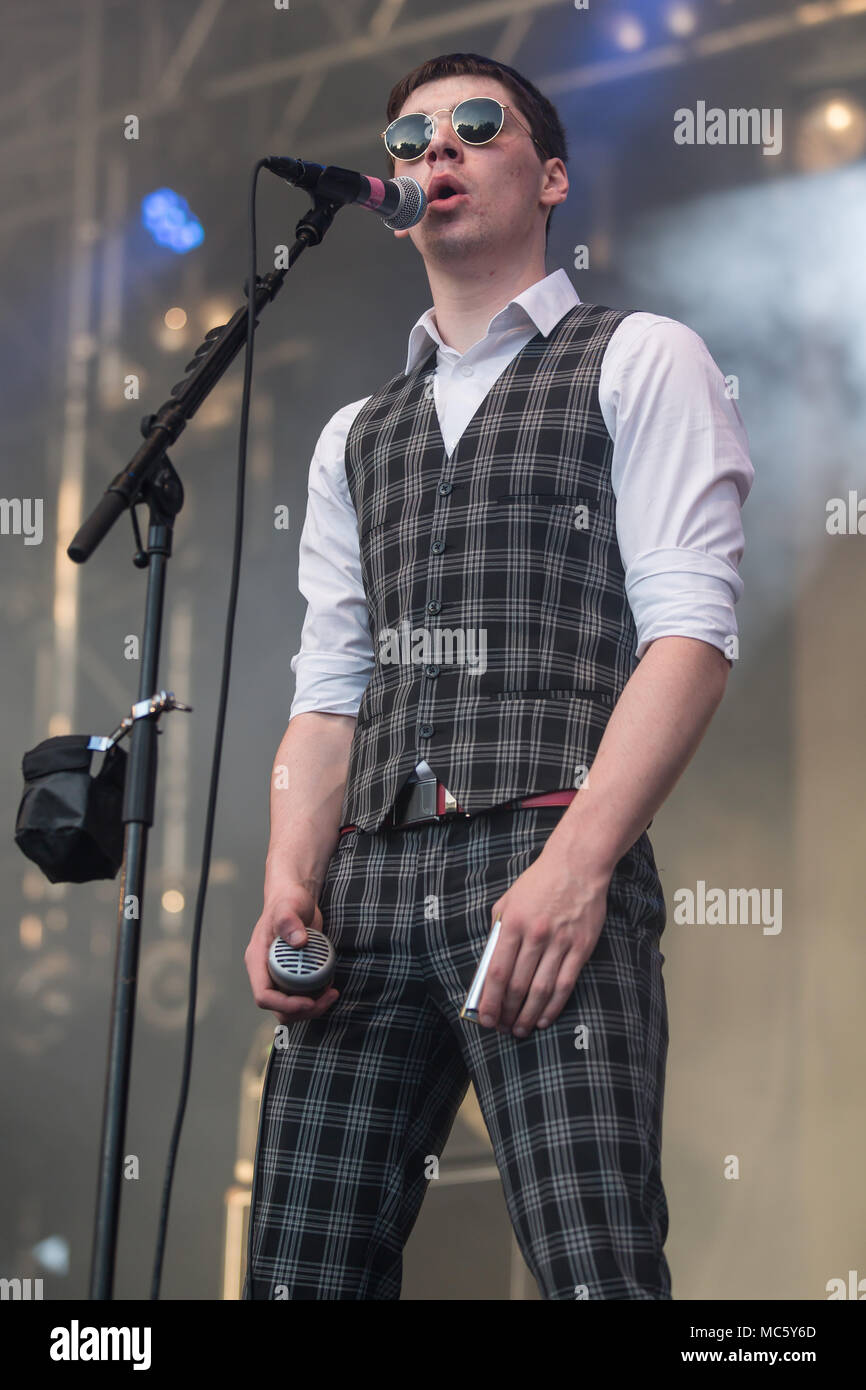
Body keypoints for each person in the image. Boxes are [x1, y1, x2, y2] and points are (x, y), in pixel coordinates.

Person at [243, 51, 753, 1301]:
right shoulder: (352, 437)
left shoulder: (639, 357)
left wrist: (576, 868)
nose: (435, 153)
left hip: (542, 844)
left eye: (476, 127)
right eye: (410, 138)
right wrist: (286, 879)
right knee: (297, 1277)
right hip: (366, 882)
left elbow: (688, 635)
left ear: (552, 176)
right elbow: (331, 684)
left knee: (594, 1270)